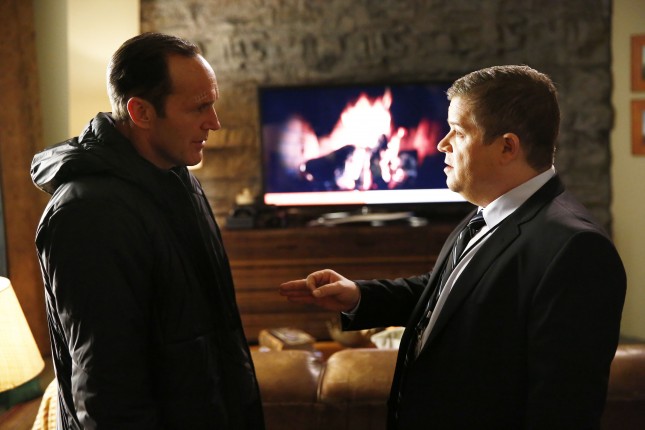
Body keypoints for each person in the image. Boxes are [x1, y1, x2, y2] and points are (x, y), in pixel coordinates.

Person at [280, 65, 626, 429]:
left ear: (507, 147)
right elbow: (449, 295)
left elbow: (563, 410)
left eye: (458, 132)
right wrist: (358, 297)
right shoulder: (487, 212)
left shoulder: (577, 249)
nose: (441, 143)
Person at [31, 32, 264, 429]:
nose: (215, 122)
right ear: (140, 112)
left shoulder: (178, 179)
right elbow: (108, 394)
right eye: (199, 107)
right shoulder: (87, 215)